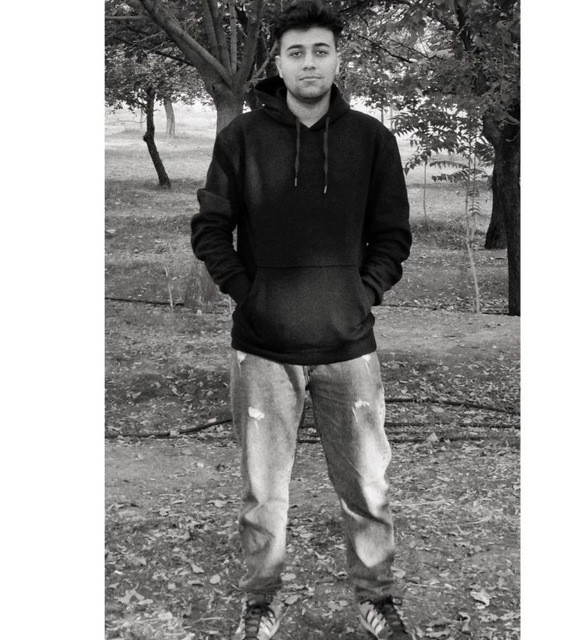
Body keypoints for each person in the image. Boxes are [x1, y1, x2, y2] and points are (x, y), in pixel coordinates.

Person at [191, 1, 414, 638]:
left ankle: (376, 599)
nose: (309, 63)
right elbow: (211, 228)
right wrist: (249, 294)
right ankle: (261, 603)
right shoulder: (241, 139)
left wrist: (361, 296)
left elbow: (392, 235)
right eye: (296, 52)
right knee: (264, 494)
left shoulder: (371, 140)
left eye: (321, 50)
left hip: (349, 346)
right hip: (264, 348)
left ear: (338, 59)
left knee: (367, 486)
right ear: (279, 63)